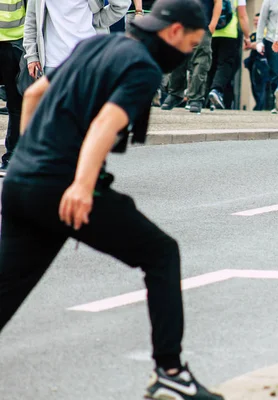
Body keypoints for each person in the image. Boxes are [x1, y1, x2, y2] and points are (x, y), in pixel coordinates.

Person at [0, 1, 223, 399]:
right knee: (161, 253)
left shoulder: (91, 47)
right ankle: (171, 372)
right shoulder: (142, 67)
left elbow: (33, 94)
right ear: (173, 33)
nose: (188, 53)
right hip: (62, 188)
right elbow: (105, 124)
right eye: (191, 44)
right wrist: (82, 186)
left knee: (7, 286)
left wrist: (29, 160)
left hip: (21, 182)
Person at [24, 0, 129, 75]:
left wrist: (96, 20)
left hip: (89, 59)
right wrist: (31, 55)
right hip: (53, 61)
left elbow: (121, 5)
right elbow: (31, 20)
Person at [161, 0, 222, 113]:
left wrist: (212, 25)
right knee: (177, 59)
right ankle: (175, 93)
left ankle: (196, 98)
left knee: (201, 62)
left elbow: (218, 2)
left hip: (203, 26)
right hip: (182, 26)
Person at [207, 0, 251, 109]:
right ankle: (216, 90)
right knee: (225, 64)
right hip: (229, 35)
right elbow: (242, 16)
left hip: (211, 33)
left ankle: (206, 97)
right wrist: (247, 37)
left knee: (210, 65)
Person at [0, 0, 25, 176]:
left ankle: (13, 156)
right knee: (15, 105)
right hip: (14, 45)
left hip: (16, 44)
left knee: (16, 104)